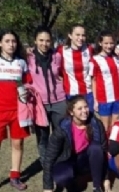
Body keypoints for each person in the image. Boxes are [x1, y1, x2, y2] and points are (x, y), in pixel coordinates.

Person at [42, 95, 109, 192]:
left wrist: (106, 179)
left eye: (86, 107)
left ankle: (96, 187)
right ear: (71, 112)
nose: (84, 111)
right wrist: (47, 187)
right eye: (79, 108)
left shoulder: (96, 123)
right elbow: (49, 158)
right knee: (62, 177)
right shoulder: (62, 129)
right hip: (68, 160)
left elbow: (104, 150)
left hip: (86, 160)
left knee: (96, 148)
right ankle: (73, 182)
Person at [27, 26, 67, 165]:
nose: (44, 43)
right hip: (40, 104)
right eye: (41, 40)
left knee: (61, 134)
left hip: (59, 101)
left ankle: (61, 162)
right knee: (42, 137)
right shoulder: (28, 58)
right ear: (35, 41)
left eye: (47, 40)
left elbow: (63, 73)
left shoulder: (57, 56)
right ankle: (46, 165)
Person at [0, 30, 32, 190]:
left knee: (17, 143)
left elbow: (26, 82)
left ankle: (15, 176)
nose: (11, 44)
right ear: (0, 43)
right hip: (0, 110)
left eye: (13, 41)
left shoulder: (21, 62)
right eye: (7, 41)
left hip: (18, 110)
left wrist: (26, 90)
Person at [90, 31, 119, 132]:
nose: (109, 46)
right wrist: (95, 100)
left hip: (117, 97)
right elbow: (93, 81)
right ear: (100, 43)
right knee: (105, 126)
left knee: (116, 124)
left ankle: (113, 146)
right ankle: (105, 147)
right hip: (103, 98)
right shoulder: (94, 60)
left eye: (111, 43)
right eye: (106, 43)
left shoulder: (117, 58)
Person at [57, 24, 95, 112]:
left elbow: (103, 53)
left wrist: (116, 50)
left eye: (83, 35)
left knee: (89, 121)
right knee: (73, 122)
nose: (81, 38)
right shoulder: (61, 50)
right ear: (70, 35)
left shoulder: (89, 49)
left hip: (88, 93)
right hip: (71, 93)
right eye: (77, 35)